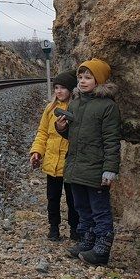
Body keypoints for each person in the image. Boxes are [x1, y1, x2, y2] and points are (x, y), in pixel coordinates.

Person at [54, 58, 120, 266]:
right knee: (82, 206)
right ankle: (87, 241)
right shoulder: (76, 103)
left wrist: (109, 169)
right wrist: (62, 128)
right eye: (80, 77)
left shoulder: (108, 107)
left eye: (88, 77)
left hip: (96, 167)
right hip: (76, 165)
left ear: (98, 80)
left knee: (99, 209)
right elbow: (73, 136)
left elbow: (112, 141)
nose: (82, 81)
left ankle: (101, 248)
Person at [28, 70, 80, 241]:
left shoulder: (77, 108)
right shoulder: (50, 109)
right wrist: (36, 152)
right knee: (53, 198)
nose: (59, 91)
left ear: (71, 90)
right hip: (51, 161)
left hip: (69, 161)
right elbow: (43, 132)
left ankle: (75, 228)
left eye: (63, 88)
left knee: (73, 199)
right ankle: (54, 227)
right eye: (56, 87)